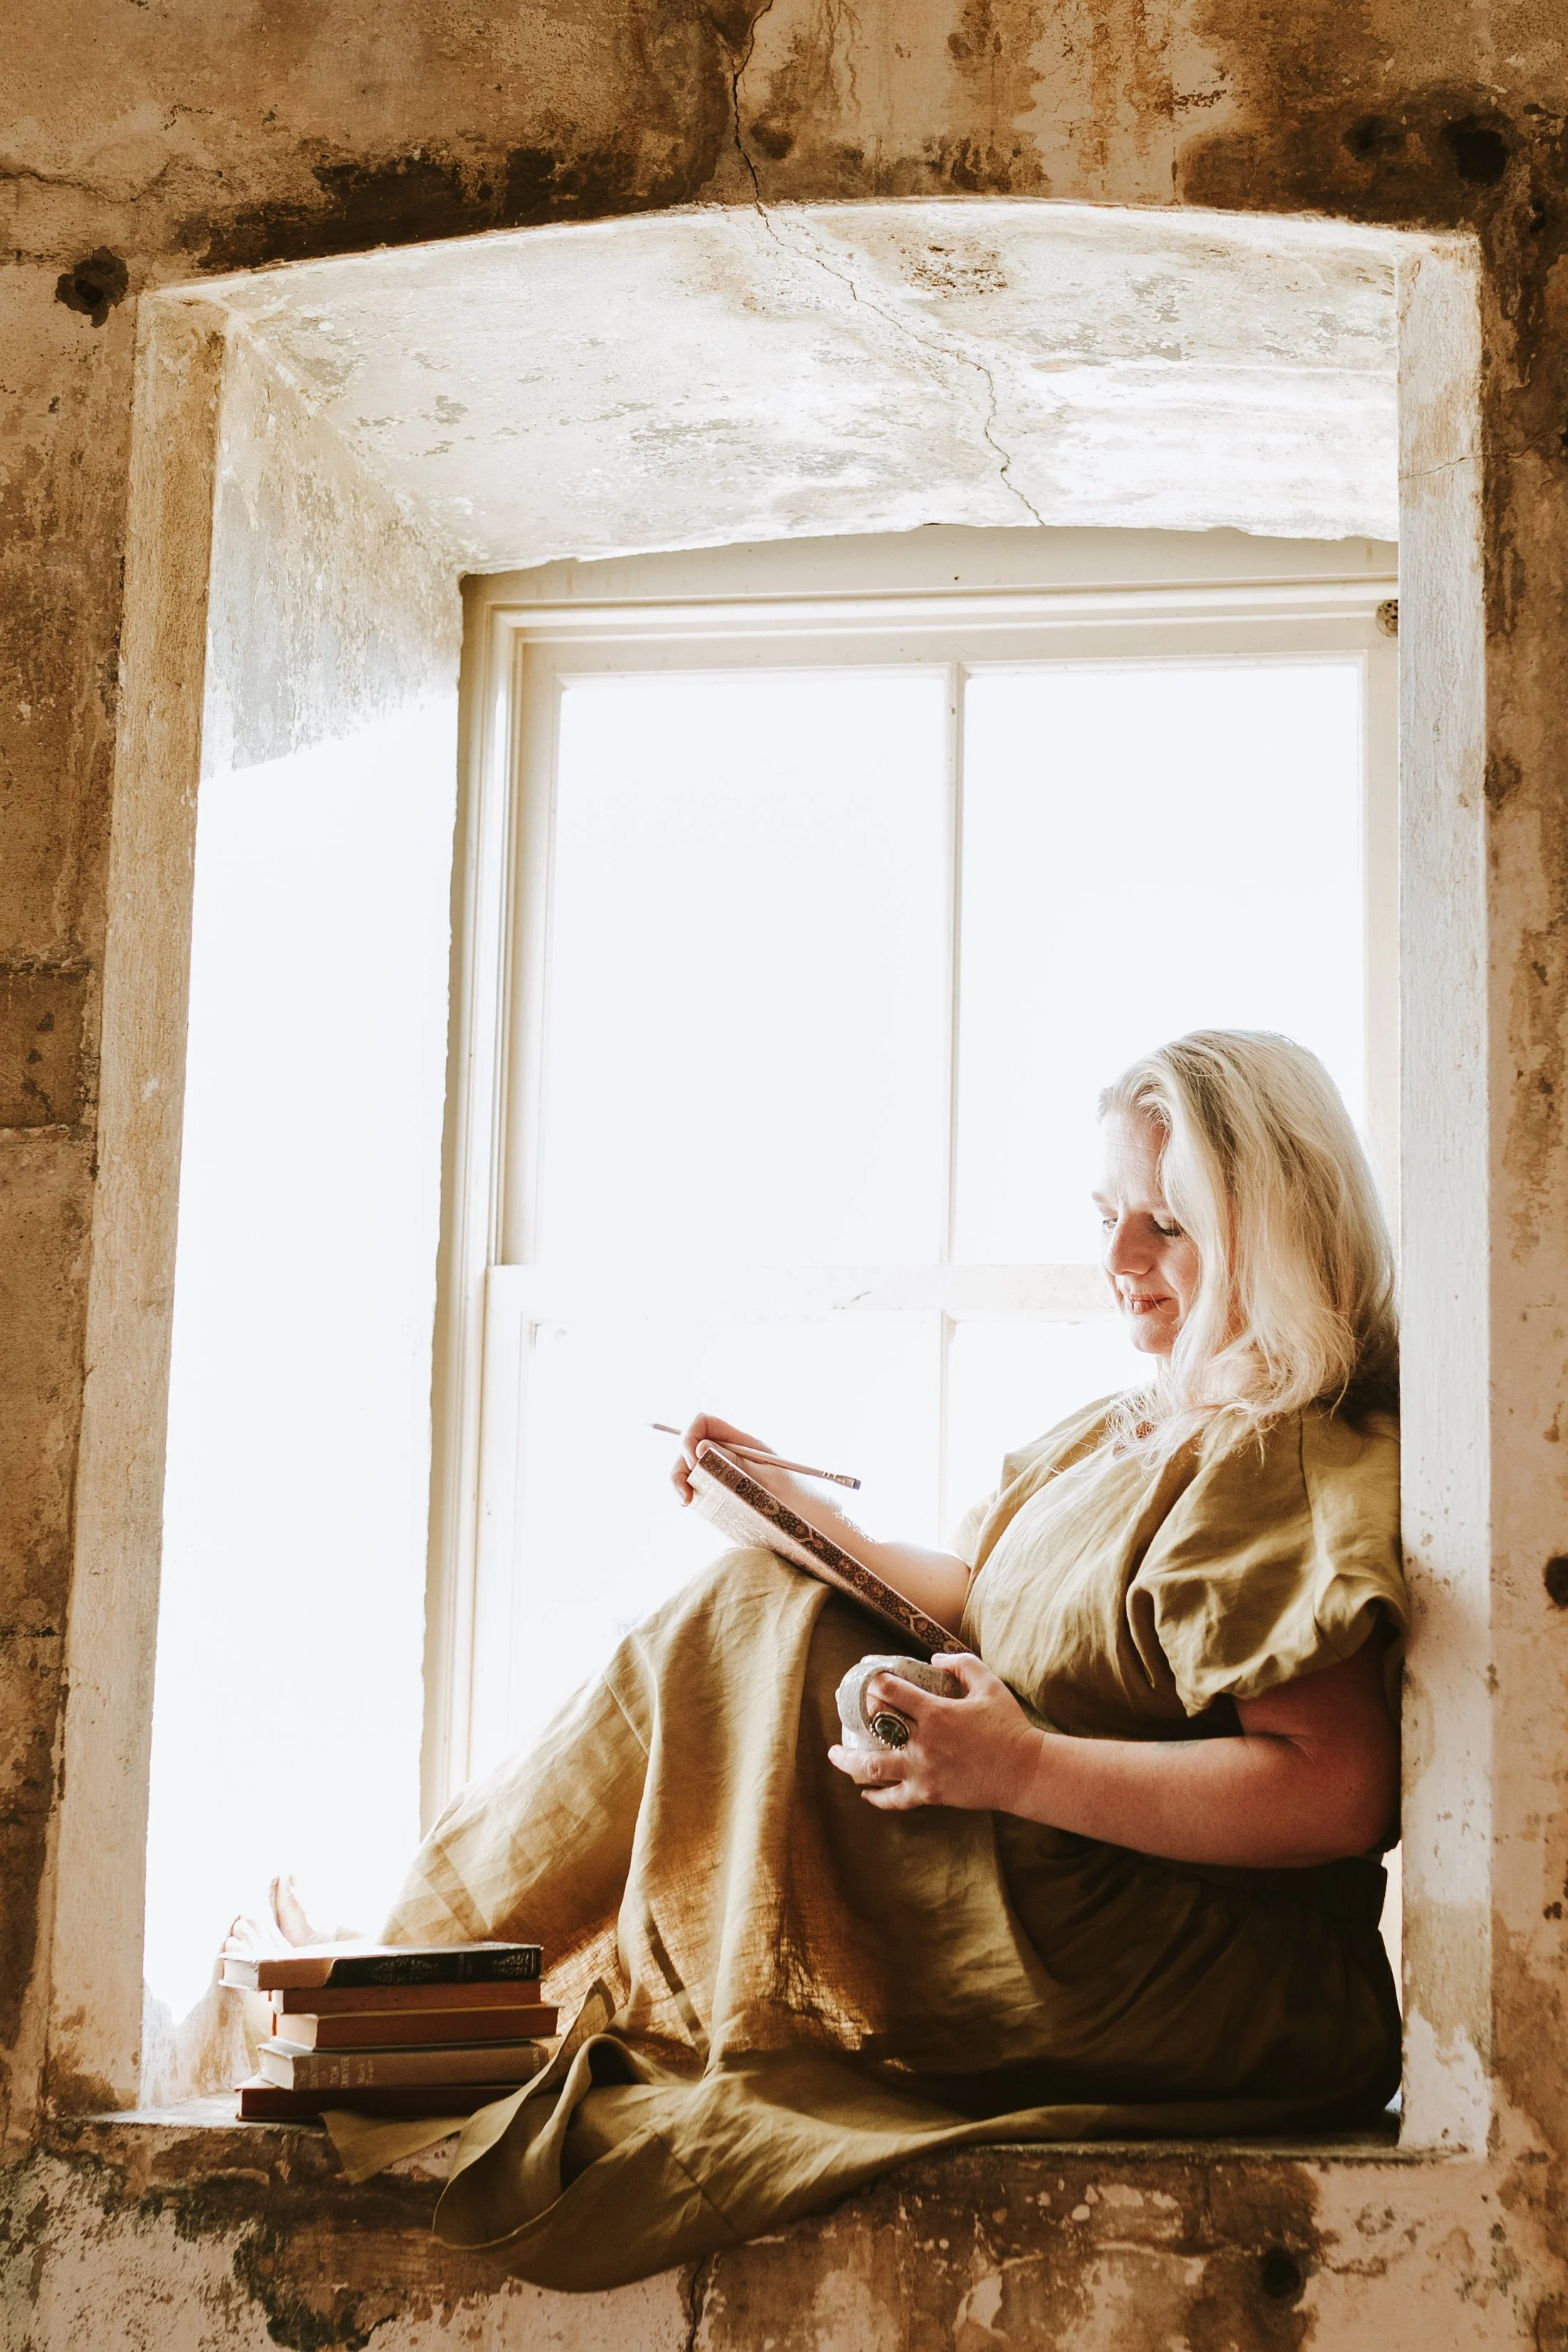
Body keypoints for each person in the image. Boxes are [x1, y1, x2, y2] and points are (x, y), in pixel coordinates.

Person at [261, 1030, 1408, 2291]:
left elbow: (1335, 1789)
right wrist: (809, 1523)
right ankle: (418, 1982)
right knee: (759, 1595)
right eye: (1107, 1217)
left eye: (1170, 1227)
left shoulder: (1277, 1454)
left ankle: (408, 1994)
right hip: (1075, 1902)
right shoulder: (1139, 1426)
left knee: (745, 1639)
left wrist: (1019, 1771)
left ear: (1276, 1232)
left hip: (1181, 1970)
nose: (1120, 1261)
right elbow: (989, 1599)